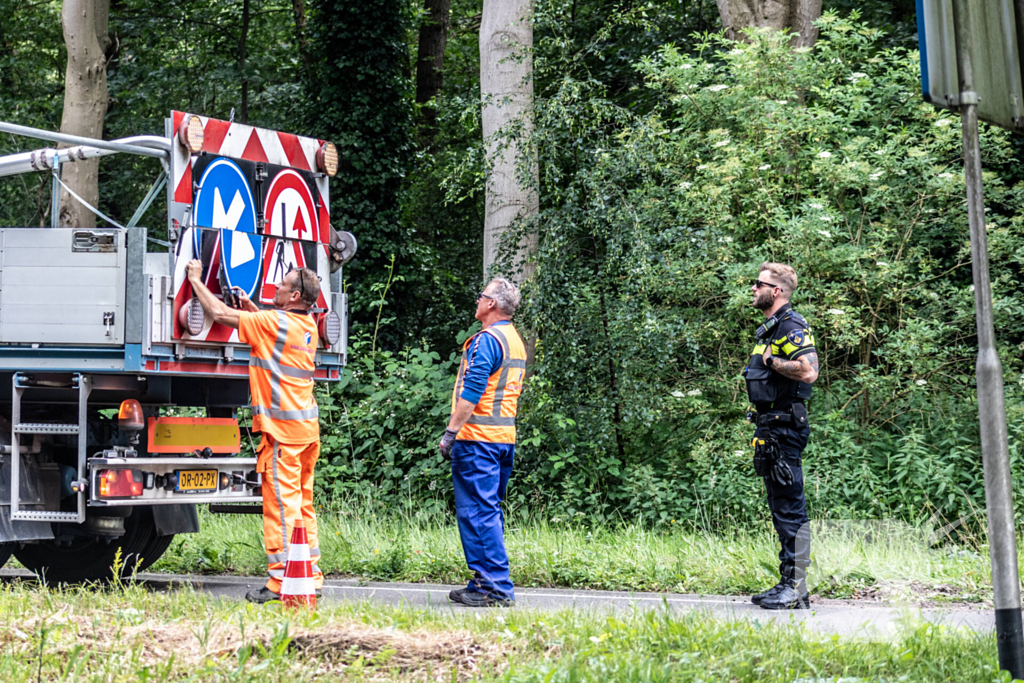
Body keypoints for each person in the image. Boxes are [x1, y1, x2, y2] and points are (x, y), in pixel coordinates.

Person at [185, 260, 324, 604]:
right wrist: (251, 309)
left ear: (293, 295)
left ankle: (281, 582)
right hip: (305, 432)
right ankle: (311, 576)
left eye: (281, 285)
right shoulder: (307, 325)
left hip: (282, 435)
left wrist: (195, 280)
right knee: (303, 506)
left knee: (282, 509)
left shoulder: (273, 322)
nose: (274, 288)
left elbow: (217, 312)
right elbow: (273, 331)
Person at [439, 278, 527, 607]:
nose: (477, 300)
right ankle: (485, 582)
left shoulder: (488, 340)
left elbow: (472, 392)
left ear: (491, 304)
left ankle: (494, 587)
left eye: (481, 296)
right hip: (503, 439)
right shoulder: (513, 340)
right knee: (487, 512)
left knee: (477, 512)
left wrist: (451, 433)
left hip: (478, 441)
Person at [743, 262, 819, 610]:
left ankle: (797, 588)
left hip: (786, 427)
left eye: (759, 284)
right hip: (771, 427)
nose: (753, 289)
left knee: (790, 507)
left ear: (777, 291)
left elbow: (808, 371)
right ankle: (788, 581)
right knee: (781, 506)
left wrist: (774, 363)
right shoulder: (771, 330)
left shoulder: (790, 325)